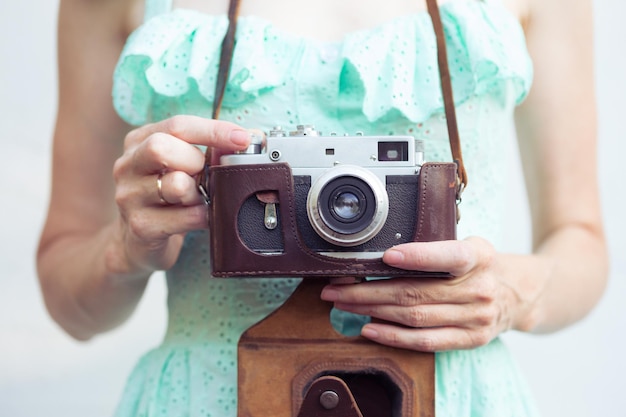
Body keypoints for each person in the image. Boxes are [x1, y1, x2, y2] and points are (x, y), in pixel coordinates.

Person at [37, 0, 608, 415]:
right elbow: (69, 301)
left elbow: (580, 240)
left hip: (451, 391)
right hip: (211, 392)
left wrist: (510, 294)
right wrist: (124, 250)